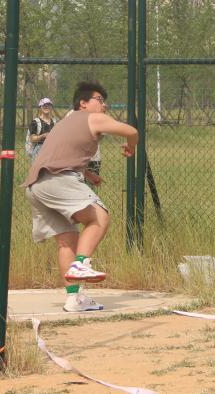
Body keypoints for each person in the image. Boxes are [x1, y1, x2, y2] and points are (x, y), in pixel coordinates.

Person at [21, 81, 138, 312]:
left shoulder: (64, 123)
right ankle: (82, 264)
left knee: (68, 242)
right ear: (83, 103)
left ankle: (74, 299)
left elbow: (62, 152)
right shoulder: (91, 117)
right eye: (99, 100)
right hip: (57, 180)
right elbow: (132, 131)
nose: (104, 105)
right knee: (99, 217)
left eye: (104, 102)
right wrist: (131, 147)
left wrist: (87, 174)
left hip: (36, 186)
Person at [25, 97, 57, 162]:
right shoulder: (36, 122)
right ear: (40, 107)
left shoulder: (54, 122)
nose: (46, 107)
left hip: (52, 151)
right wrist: (42, 136)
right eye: (44, 105)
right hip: (39, 151)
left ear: (51, 107)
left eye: (48, 105)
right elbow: (32, 139)